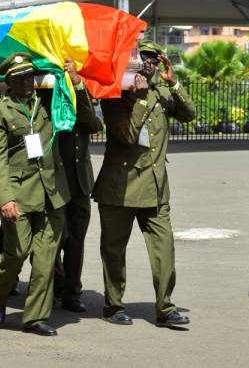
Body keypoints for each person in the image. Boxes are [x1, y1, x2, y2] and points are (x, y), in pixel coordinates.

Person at [92, 40, 195, 327]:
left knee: (164, 251)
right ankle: (113, 306)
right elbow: (126, 134)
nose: (147, 63)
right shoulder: (114, 95)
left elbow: (189, 115)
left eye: (152, 58)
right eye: (142, 57)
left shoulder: (161, 91)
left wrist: (174, 84)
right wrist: (137, 99)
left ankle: (165, 307)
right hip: (119, 188)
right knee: (113, 251)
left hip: (156, 186)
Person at [0, 53, 70, 336]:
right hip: (19, 193)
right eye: (20, 78)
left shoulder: (49, 102)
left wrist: (74, 79)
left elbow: (75, 110)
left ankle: (34, 318)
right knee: (17, 253)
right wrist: (5, 198)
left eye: (30, 76)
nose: (27, 82)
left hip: (52, 192)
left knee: (45, 259)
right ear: (9, 81)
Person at [54, 60, 103, 313]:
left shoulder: (82, 105)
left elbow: (93, 124)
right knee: (53, 240)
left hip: (80, 185)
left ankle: (72, 293)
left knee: (76, 243)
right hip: (55, 185)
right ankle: (55, 285)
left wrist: (78, 84)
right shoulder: (49, 99)